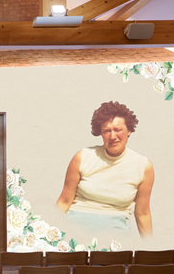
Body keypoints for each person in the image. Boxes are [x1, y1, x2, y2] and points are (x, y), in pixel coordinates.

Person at [55, 101, 154, 241]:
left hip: (116, 235)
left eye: (118, 129)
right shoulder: (83, 157)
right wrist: (48, 238)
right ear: (100, 133)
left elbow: (142, 213)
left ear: (129, 130)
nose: (113, 136)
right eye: (107, 131)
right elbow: (64, 202)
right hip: (74, 231)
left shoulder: (143, 166)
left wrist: (150, 249)